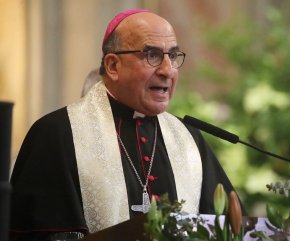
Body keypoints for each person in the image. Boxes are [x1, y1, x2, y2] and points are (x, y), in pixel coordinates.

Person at [10, 9, 240, 241]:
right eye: (152, 55)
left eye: (173, 55)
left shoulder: (189, 140)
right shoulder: (56, 135)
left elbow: (231, 229)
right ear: (113, 66)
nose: (167, 70)